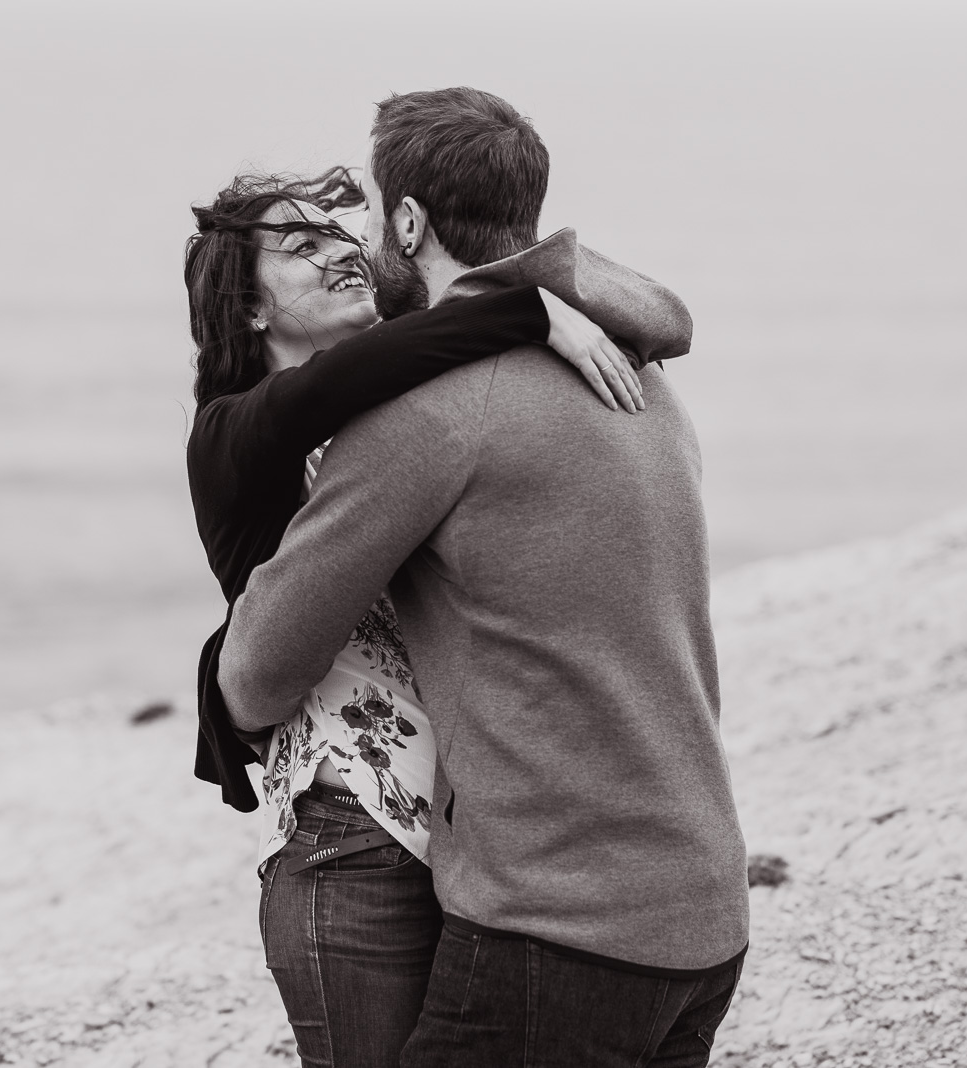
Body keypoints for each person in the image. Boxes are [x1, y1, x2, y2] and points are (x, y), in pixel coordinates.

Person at [218, 87, 751, 1067]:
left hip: (560, 931)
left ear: (410, 221)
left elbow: (257, 673)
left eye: (379, 215)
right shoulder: (639, 373)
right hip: (704, 911)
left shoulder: (429, 414)